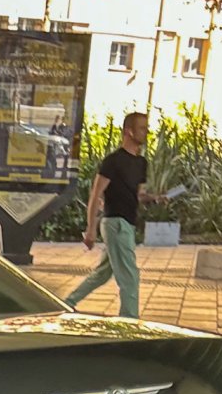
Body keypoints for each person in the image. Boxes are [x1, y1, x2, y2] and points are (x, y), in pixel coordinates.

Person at [64, 111, 168, 318]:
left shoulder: (141, 163)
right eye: (142, 128)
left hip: (127, 223)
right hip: (115, 223)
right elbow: (96, 194)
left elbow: (137, 195)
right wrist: (91, 229)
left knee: (103, 273)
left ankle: (66, 303)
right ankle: (130, 322)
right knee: (130, 277)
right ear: (129, 131)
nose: (147, 132)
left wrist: (155, 198)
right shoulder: (113, 161)